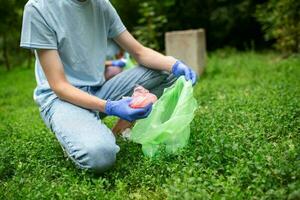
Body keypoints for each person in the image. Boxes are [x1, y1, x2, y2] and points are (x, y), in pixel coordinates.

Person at [20, 0, 197, 174]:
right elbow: (59, 86)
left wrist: (174, 64)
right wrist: (110, 107)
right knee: (101, 156)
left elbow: (139, 52)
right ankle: (78, 134)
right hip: (61, 99)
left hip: (98, 90)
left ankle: (118, 132)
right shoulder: (39, 7)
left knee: (168, 71)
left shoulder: (101, 5)